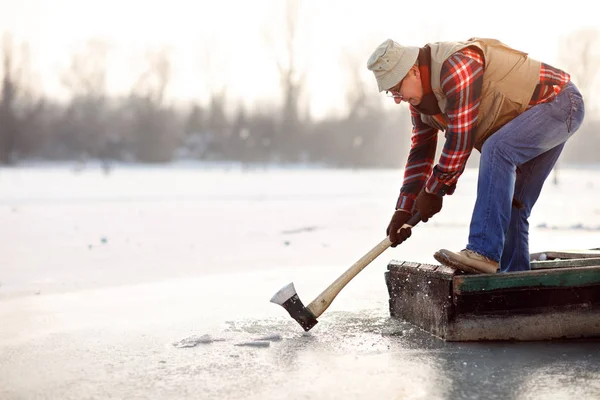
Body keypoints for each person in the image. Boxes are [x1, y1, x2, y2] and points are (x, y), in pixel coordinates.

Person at [366, 37, 585, 274]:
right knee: (512, 204)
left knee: (497, 150)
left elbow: (461, 139)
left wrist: (433, 191)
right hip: (531, 120)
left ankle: (483, 251)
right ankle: (515, 280)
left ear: (414, 72)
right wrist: (404, 210)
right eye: (391, 93)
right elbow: (420, 153)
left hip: (560, 103)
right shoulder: (420, 105)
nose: (397, 98)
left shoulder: (456, 66)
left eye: (397, 88)